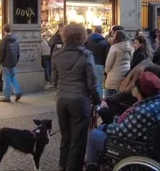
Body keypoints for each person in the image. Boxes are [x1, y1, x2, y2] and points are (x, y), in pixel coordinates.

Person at [85, 71, 160, 169]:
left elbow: (121, 132)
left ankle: (92, 166)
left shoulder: (143, 112)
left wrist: (105, 126)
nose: (131, 88)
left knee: (93, 135)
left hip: (137, 148)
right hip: (151, 142)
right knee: (102, 127)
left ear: (140, 91)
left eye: (134, 86)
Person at [51, 23, 101, 171]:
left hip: (61, 99)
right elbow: (92, 83)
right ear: (81, 37)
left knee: (65, 136)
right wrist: (98, 100)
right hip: (80, 100)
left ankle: (62, 165)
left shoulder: (57, 55)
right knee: (78, 139)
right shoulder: (86, 56)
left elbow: (54, 80)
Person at [0, 24, 23, 103]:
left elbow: (1, 54)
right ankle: (18, 91)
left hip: (6, 63)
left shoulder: (3, 40)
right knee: (13, 77)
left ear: (4, 30)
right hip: (13, 62)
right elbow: (18, 52)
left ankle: (6, 97)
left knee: (6, 79)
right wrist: (16, 61)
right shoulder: (16, 39)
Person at [105, 30, 134, 97]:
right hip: (125, 75)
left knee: (108, 97)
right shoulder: (130, 47)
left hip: (113, 77)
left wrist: (106, 71)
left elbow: (109, 63)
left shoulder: (114, 47)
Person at [85, 26, 110, 99]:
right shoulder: (104, 42)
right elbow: (106, 55)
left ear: (94, 31)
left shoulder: (87, 40)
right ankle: (99, 101)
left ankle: (90, 99)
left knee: (89, 82)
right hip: (100, 64)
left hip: (88, 63)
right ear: (101, 32)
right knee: (99, 83)